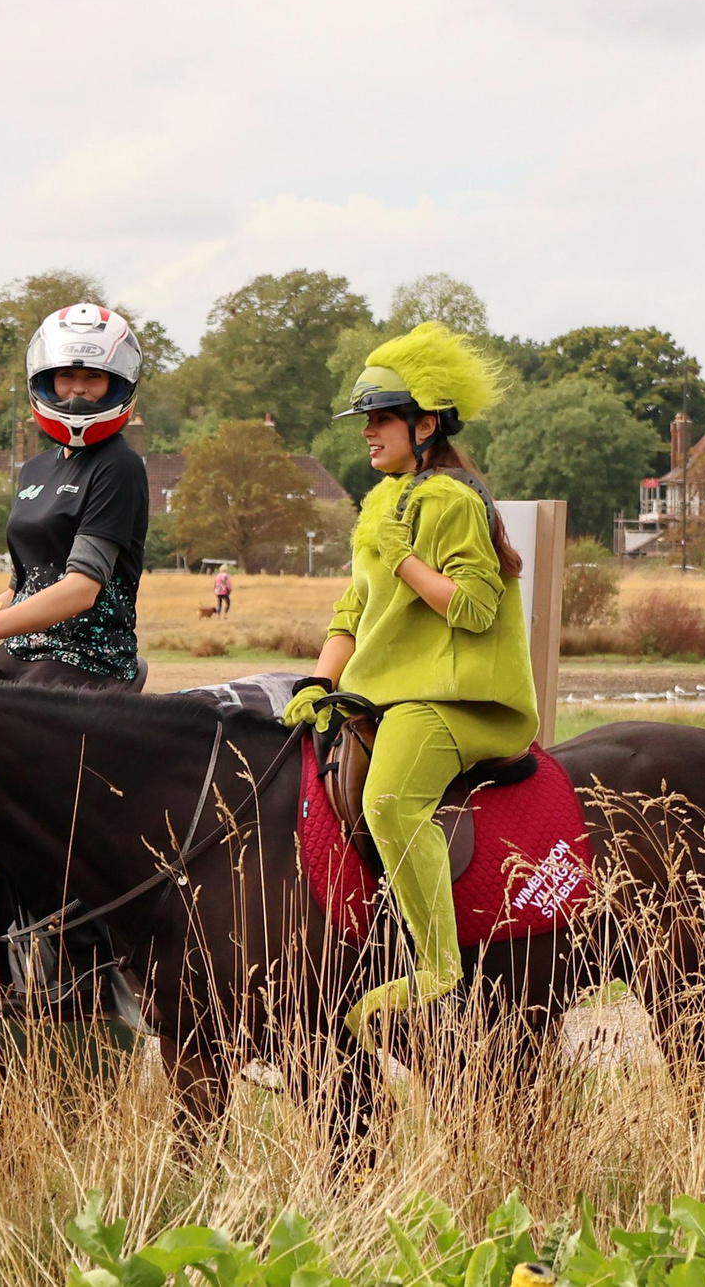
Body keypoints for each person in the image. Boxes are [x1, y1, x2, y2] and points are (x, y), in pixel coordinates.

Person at [282, 323, 538, 1047]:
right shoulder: (382, 503)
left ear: (426, 424)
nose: (367, 433)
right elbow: (351, 611)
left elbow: (476, 606)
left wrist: (404, 563)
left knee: (390, 799)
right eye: (365, 420)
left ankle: (437, 966)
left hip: (461, 703)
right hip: (388, 696)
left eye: (381, 418)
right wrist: (318, 680)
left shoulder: (453, 501)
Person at [0, 303, 150, 690]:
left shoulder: (119, 465)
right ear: (45, 381)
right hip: (21, 651)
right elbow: (21, 588)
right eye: (66, 376)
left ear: (117, 384)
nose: (78, 389)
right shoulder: (34, 470)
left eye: (93, 376)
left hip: (87, 658)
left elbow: (81, 589)